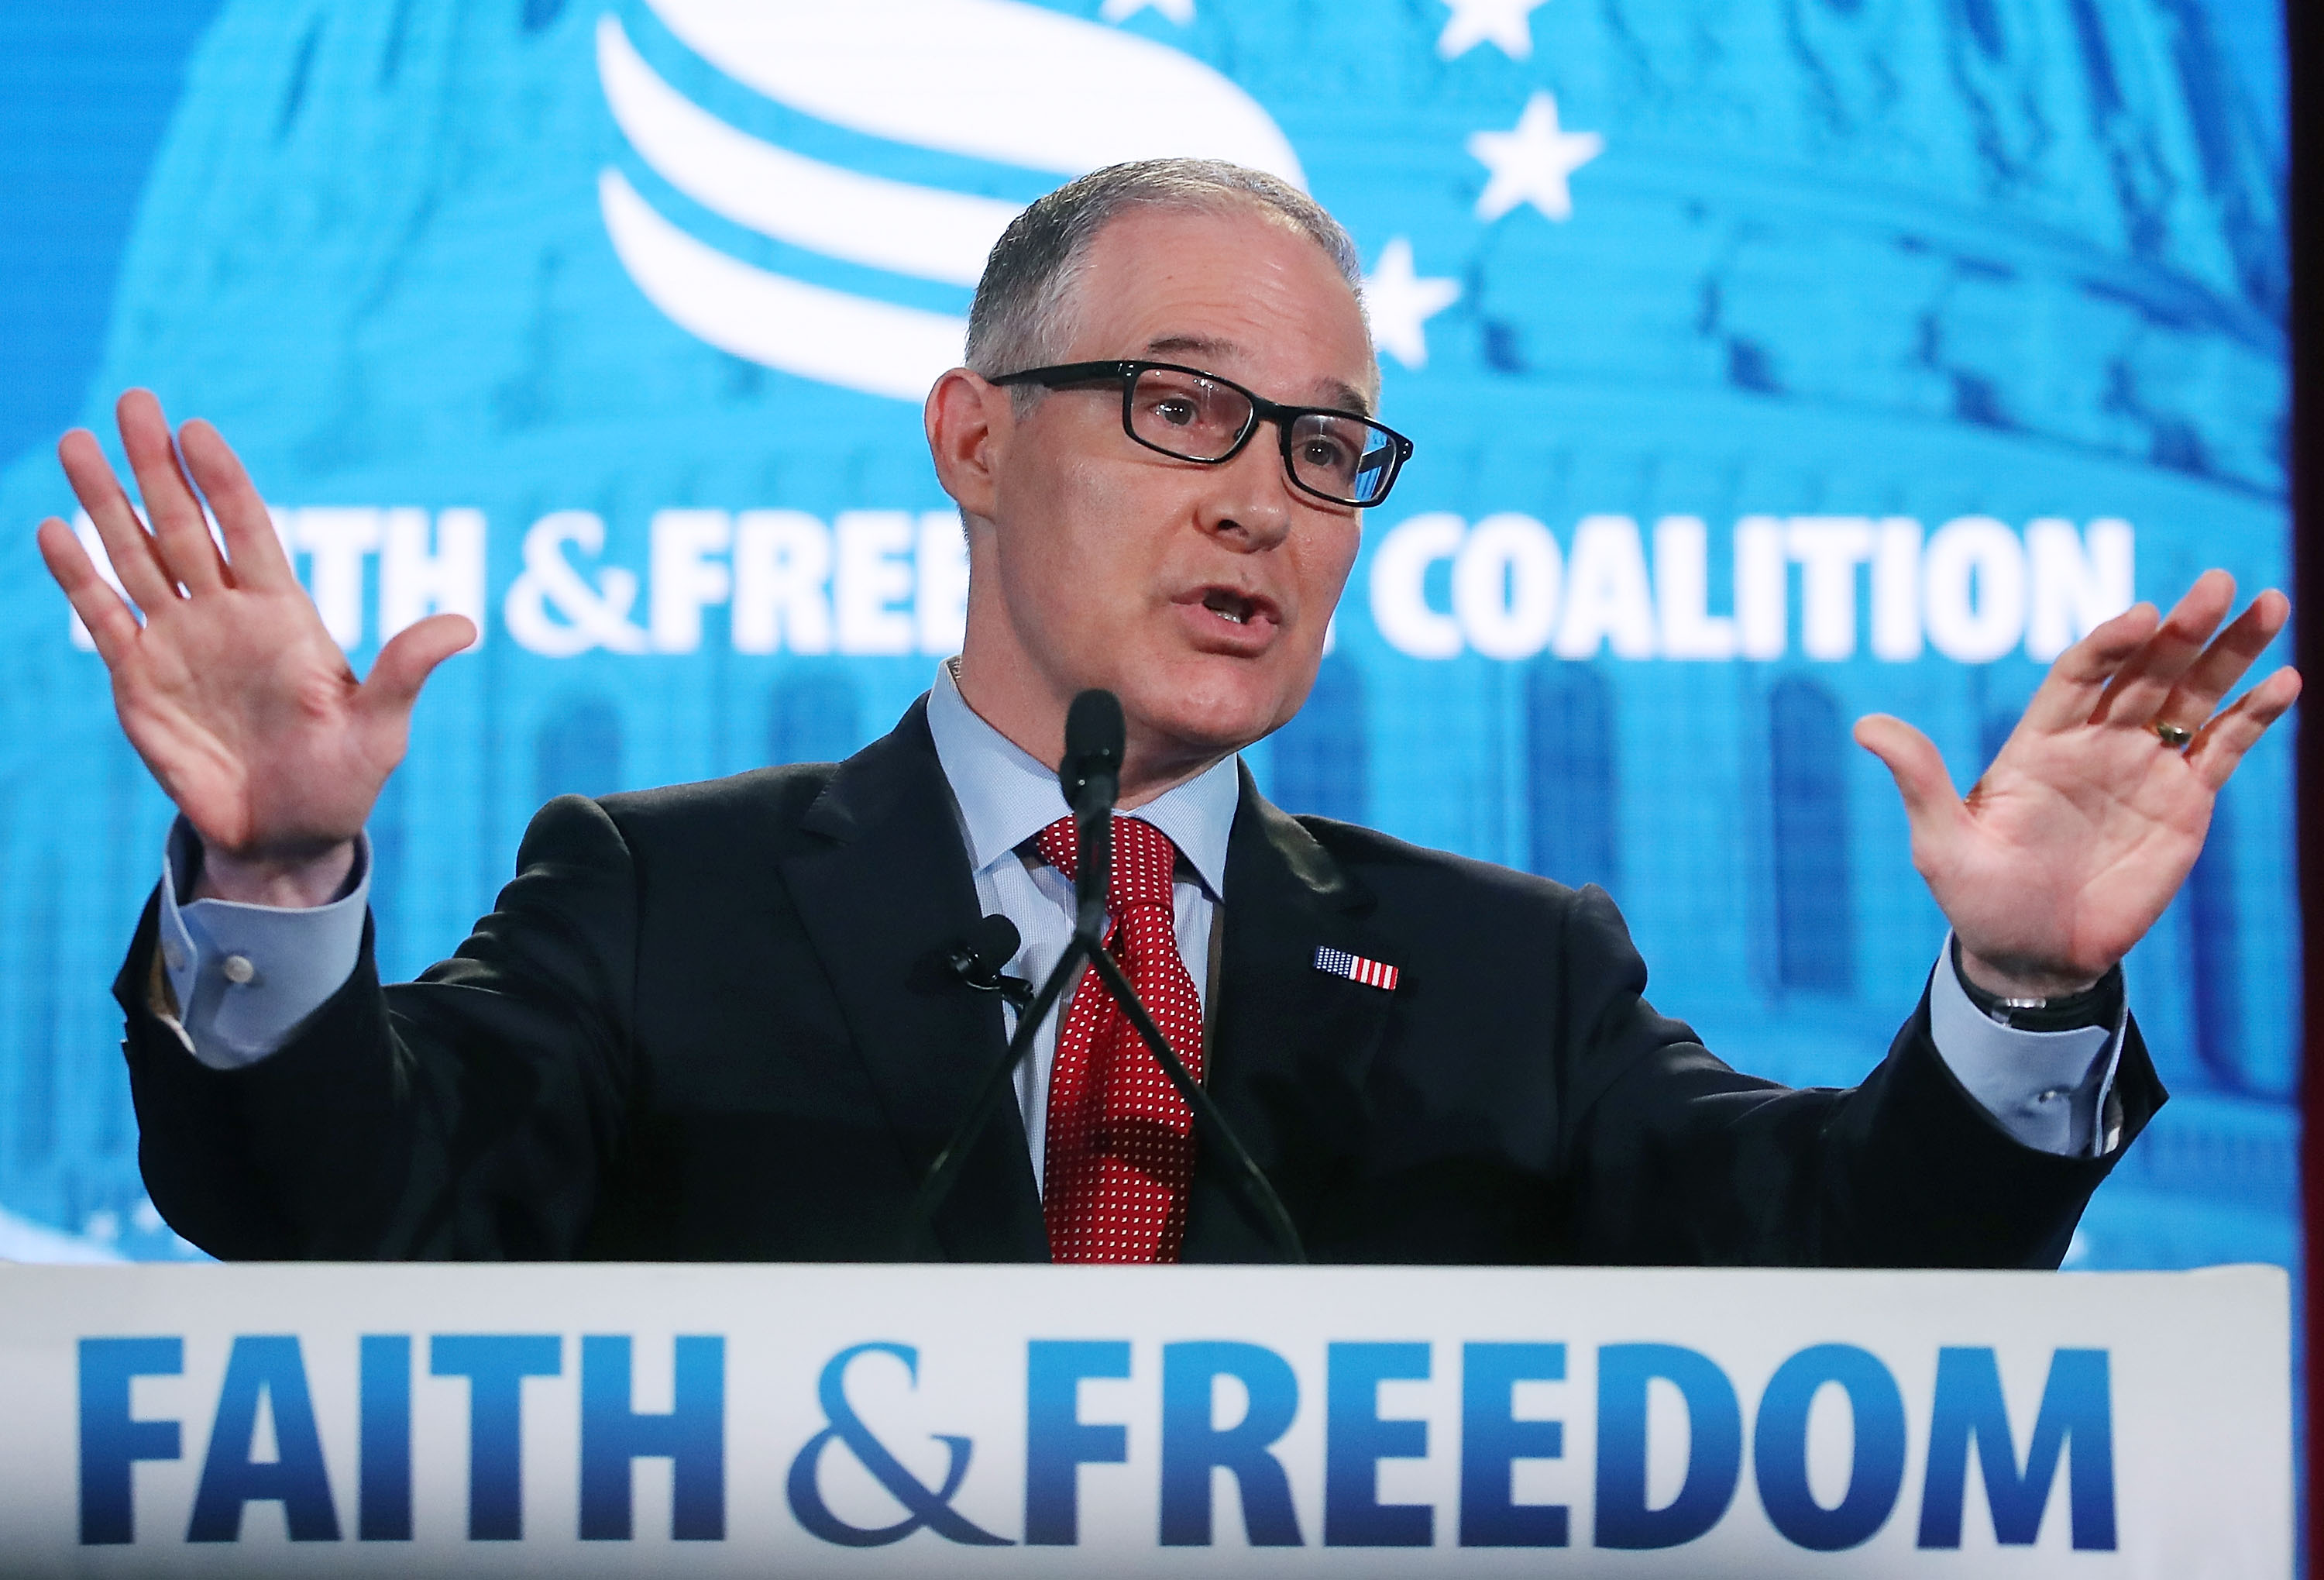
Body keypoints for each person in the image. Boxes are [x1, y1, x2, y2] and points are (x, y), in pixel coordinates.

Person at [37, 160, 2300, 1265]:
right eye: (1184, 409)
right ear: (974, 438)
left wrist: (2020, 984)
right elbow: (318, 1203)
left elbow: (1854, 1265)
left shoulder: (1519, 978)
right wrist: (269, 874)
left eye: (1329, 451)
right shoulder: (656, 905)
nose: (1268, 508)